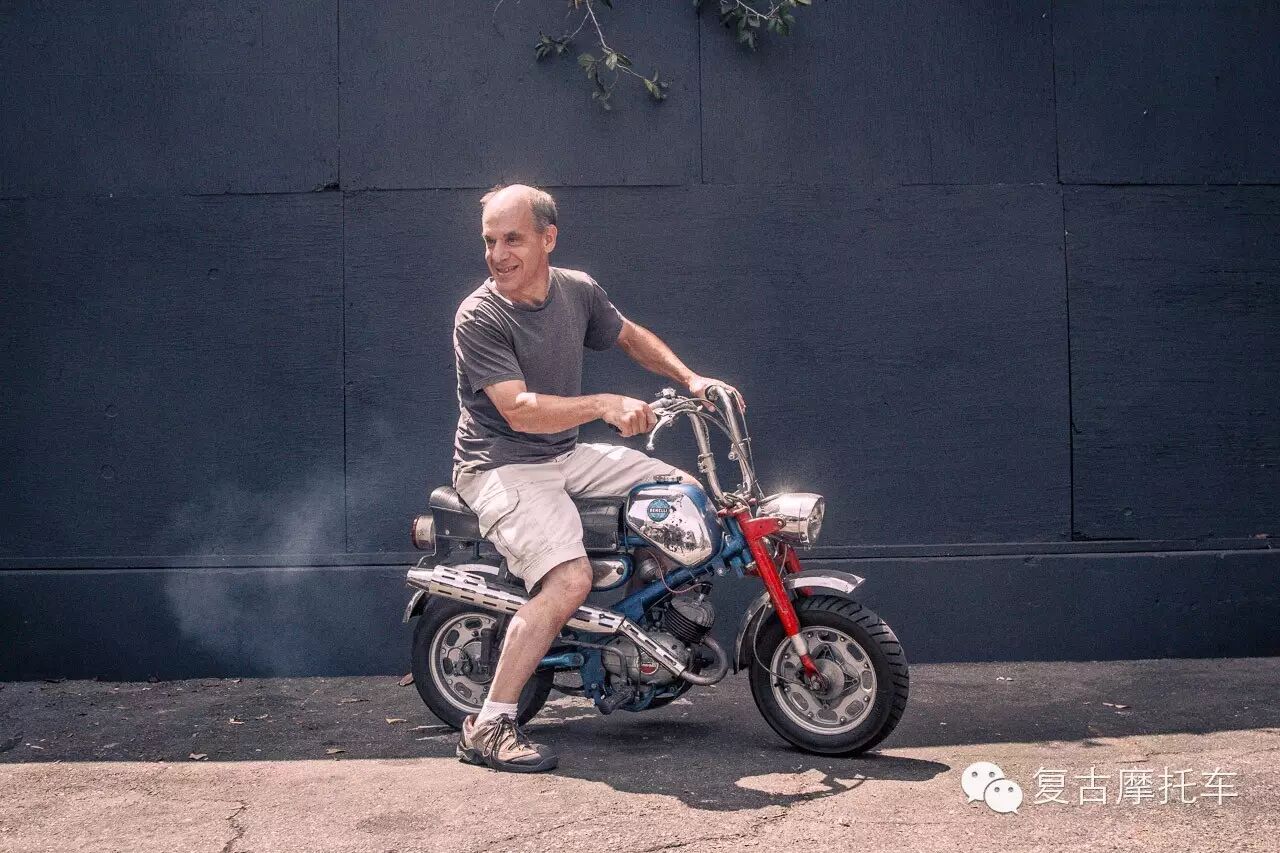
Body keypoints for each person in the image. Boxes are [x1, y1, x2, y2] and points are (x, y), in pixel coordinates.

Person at [451, 184, 739, 773]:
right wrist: (604, 403)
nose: (498, 255)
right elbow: (518, 411)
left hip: (562, 454)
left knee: (680, 496)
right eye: (490, 241)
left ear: (548, 238)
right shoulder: (479, 315)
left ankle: (649, 636)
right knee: (569, 579)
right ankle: (490, 726)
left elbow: (629, 336)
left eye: (512, 239)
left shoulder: (576, 291)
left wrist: (690, 379)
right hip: (500, 464)